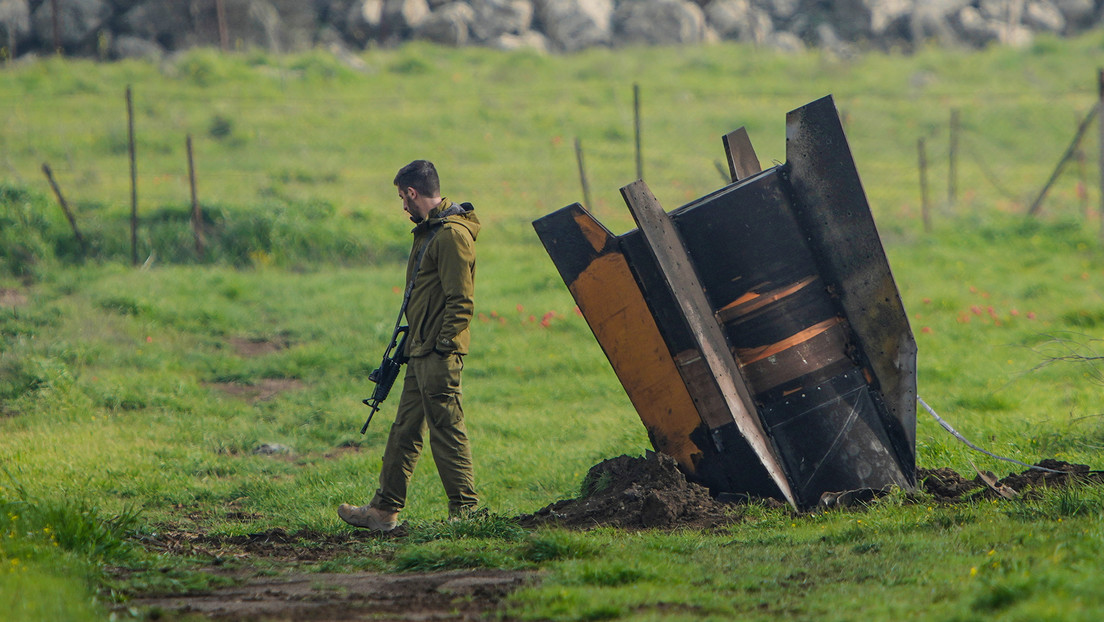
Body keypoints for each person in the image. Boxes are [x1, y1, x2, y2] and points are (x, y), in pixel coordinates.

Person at [339, 160, 481, 532]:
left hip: (437, 354)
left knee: (446, 429)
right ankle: (383, 511)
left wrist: (442, 346)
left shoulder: (451, 235)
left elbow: (461, 301)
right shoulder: (430, 232)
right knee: (404, 430)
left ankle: (466, 513)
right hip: (419, 351)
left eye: (403, 197)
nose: (403, 206)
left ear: (414, 193)